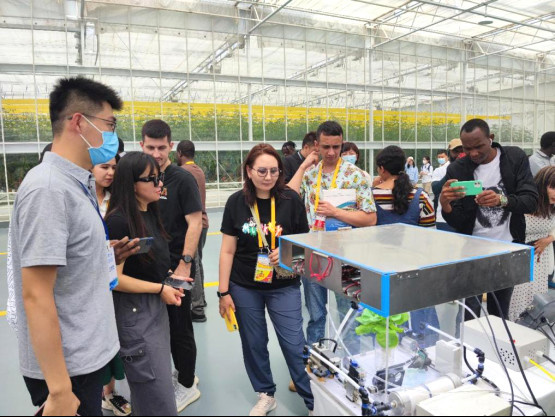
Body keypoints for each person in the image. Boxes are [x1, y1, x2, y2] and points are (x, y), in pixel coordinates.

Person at [8, 76, 123, 416]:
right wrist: (59, 390)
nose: (112, 136)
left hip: (83, 355)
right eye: (109, 125)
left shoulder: (77, 183)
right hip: (68, 371)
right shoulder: (48, 190)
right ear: (78, 123)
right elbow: (36, 294)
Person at [218, 144, 314, 416]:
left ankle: (313, 403)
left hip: (283, 285)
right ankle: (266, 394)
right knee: (254, 341)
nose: (268, 176)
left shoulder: (290, 200)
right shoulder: (236, 202)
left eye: (274, 171)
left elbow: (304, 246)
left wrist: (286, 254)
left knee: (294, 344)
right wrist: (223, 293)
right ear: (249, 171)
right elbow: (227, 250)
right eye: (262, 170)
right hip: (244, 286)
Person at [288, 121, 377, 349]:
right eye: (326, 147)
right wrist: (302, 167)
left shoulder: (356, 176)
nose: (331, 152)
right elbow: (287, 197)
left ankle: (351, 363)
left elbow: (370, 218)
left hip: (345, 256)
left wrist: (337, 212)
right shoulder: (309, 175)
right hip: (314, 253)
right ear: (316, 145)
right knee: (316, 314)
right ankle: (315, 362)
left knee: (348, 313)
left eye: (336, 147)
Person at [440, 119, 538, 320]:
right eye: (468, 149)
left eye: (479, 147)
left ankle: (498, 350)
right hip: (472, 251)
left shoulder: (514, 157)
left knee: (500, 311)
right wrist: (445, 204)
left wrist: (501, 200)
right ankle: (468, 350)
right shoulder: (457, 169)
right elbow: (458, 221)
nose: (474, 153)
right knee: (469, 311)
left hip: (507, 249)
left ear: (491, 139)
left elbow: (531, 201)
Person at [140, 120, 203, 412]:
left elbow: (194, 223)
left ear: (171, 146)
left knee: (180, 328)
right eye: (150, 147)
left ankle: (188, 384)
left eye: (162, 147)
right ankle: (178, 373)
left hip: (177, 266)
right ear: (142, 145)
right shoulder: (138, 178)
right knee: (157, 326)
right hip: (151, 267)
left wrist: (185, 264)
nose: (156, 153)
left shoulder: (182, 179)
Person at [373, 146, 439, 347]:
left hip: (380, 271)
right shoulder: (420, 196)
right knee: (421, 325)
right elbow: (430, 236)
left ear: (381, 168)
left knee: (383, 328)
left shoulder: (371, 196)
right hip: (414, 271)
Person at [91, 155, 132, 417]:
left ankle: (109, 393)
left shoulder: (117, 201)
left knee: (109, 338)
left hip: (109, 280)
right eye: (104, 167)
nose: (110, 173)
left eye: (115, 168)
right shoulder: (79, 198)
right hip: (85, 282)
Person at [509, 166, 555, 321]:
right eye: (553, 187)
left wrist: (548, 239)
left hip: (540, 261)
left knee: (536, 303)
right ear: (542, 185)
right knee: (516, 302)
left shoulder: (552, 206)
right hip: (519, 260)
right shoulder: (524, 202)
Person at [177, 140, 210, 323]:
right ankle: (201, 299)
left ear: (180, 153)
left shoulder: (183, 172)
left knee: (193, 264)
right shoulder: (199, 170)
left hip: (193, 225)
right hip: (203, 223)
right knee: (199, 261)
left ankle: (197, 308)